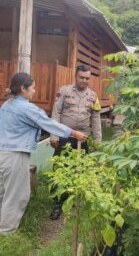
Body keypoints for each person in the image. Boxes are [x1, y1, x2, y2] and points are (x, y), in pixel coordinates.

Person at [0, 73, 87, 234]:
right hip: (15, 155)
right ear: (22, 88)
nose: (34, 91)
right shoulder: (27, 108)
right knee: (17, 195)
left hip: (2, 153)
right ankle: (6, 233)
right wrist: (74, 133)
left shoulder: (7, 104)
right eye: (32, 87)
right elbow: (48, 123)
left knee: (3, 192)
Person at [49, 64, 102, 219]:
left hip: (83, 139)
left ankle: (73, 202)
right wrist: (54, 135)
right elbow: (56, 112)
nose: (84, 81)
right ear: (75, 76)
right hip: (64, 138)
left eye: (87, 78)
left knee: (80, 170)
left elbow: (96, 120)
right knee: (59, 171)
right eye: (82, 77)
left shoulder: (93, 96)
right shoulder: (64, 91)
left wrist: (98, 142)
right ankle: (57, 204)